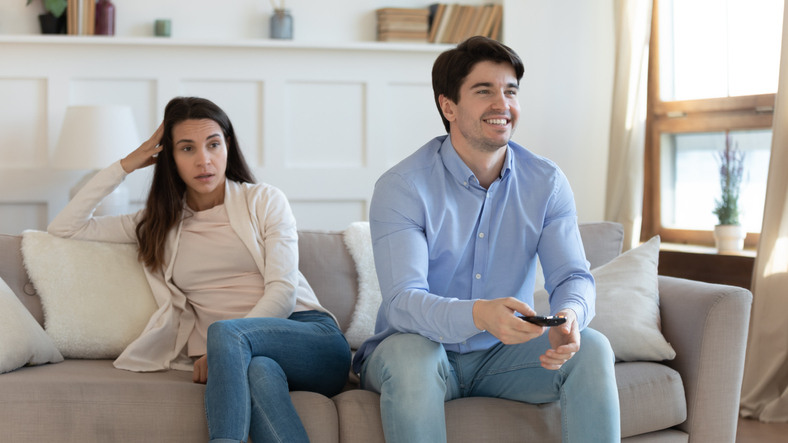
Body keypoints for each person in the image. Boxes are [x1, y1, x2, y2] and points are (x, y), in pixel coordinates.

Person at [352, 36, 620, 442]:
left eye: (510, 91)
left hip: (502, 358)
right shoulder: (402, 187)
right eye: (484, 91)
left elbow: (572, 277)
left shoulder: (546, 183)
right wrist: (478, 314)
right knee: (412, 356)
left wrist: (571, 316)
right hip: (418, 350)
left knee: (594, 349)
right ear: (449, 106)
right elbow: (404, 303)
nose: (503, 104)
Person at [48, 97, 351, 443]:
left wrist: (226, 348)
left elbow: (283, 292)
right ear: (170, 158)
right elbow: (66, 227)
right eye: (187, 148)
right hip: (249, 358)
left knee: (225, 334)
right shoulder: (157, 224)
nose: (203, 160)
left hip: (310, 338)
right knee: (259, 372)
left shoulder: (264, 200)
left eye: (213, 144)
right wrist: (127, 164)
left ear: (228, 147)